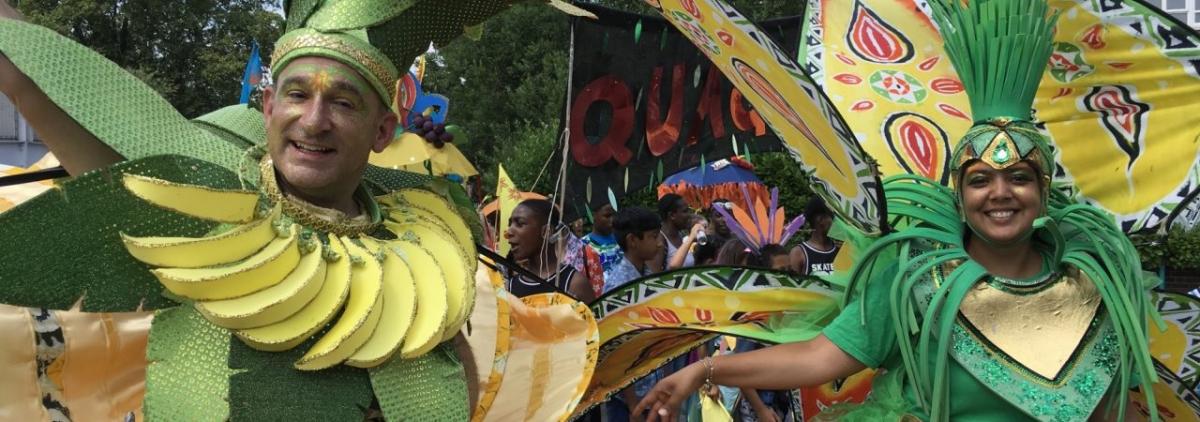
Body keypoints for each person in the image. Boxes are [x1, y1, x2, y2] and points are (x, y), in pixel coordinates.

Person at [0, 1, 585, 419]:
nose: (314, 121)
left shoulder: (424, 239)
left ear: (383, 130)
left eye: (343, 102)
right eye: (299, 94)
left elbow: (451, 363)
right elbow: (45, 92)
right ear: (270, 106)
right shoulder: (202, 203)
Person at [635, 1, 1158, 420]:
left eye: (1019, 177)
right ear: (960, 194)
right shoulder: (916, 283)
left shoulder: (1099, 283)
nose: (1001, 192)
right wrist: (708, 370)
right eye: (981, 180)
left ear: (1043, 192)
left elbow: (1112, 408)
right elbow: (818, 358)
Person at [600, 206, 664, 419]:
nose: (659, 243)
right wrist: (632, 401)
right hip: (629, 399)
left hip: (651, 387)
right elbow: (617, 349)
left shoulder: (646, 276)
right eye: (653, 237)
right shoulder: (619, 287)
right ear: (633, 240)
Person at [504, 198, 596, 303]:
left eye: (520, 224)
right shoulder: (510, 288)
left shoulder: (574, 284)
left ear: (547, 231)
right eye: (510, 224)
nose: (508, 232)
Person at [789, 197, 841, 276]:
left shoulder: (840, 251)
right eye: (832, 216)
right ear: (820, 220)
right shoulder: (799, 253)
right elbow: (791, 286)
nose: (835, 221)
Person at [656, 193, 705, 271]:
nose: (689, 215)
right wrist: (691, 238)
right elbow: (670, 269)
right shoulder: (659, 240)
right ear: (672, 215)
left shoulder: (681, 235)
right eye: (685, 211)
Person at [583, 204, 624, 279]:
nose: (612, 220)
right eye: (607, 216)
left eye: (614, 215)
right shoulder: (582, 246)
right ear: (593, 215)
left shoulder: (623, 238)